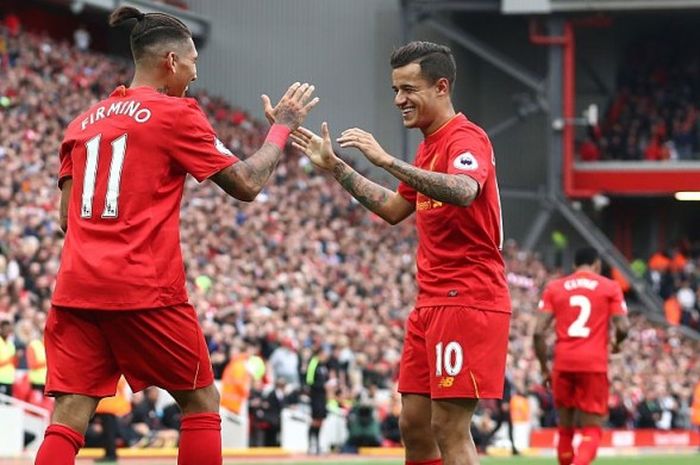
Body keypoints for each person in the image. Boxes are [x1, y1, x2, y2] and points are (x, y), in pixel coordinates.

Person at [35, 5, 317, 465]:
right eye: (191, 65)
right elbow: (245, 184)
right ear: (170, 61)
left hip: (76, 289)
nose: (192, 77)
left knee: (68, 414)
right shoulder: (175, 113)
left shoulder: (81, 124)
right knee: (201, 402)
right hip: (143, 287)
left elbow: (66, 218)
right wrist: (281, 129)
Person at [291, 41, 511, 465]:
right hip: (429, 302)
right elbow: (394, 209)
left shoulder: (465, 137)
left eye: (409, 89)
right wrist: (337, 165)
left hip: (466, 298)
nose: (398, 100)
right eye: (395, 89)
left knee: (449, 426)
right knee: (413, 424)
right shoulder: (427, 147)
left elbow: (465, 190)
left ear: (441, 87)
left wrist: (386, 160)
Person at [534, 247, 630, 465]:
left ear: (575, 266)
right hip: (593, 364)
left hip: (563, 363)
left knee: (565, 428)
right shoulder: (609, 287)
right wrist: (617, 343)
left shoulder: (555, 287)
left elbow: (538, 332)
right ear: (596, 265)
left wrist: (544, 368)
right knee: (592, 429)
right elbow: (623, 327)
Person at [0, 318, 15, 397]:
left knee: (8, 406)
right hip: (1, 379)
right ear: (1, 329)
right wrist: (9, 360)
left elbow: (14, 362)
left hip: (10, 379)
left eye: (8, 329)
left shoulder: (11, 344)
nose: (7, 331)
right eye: (5, 329)